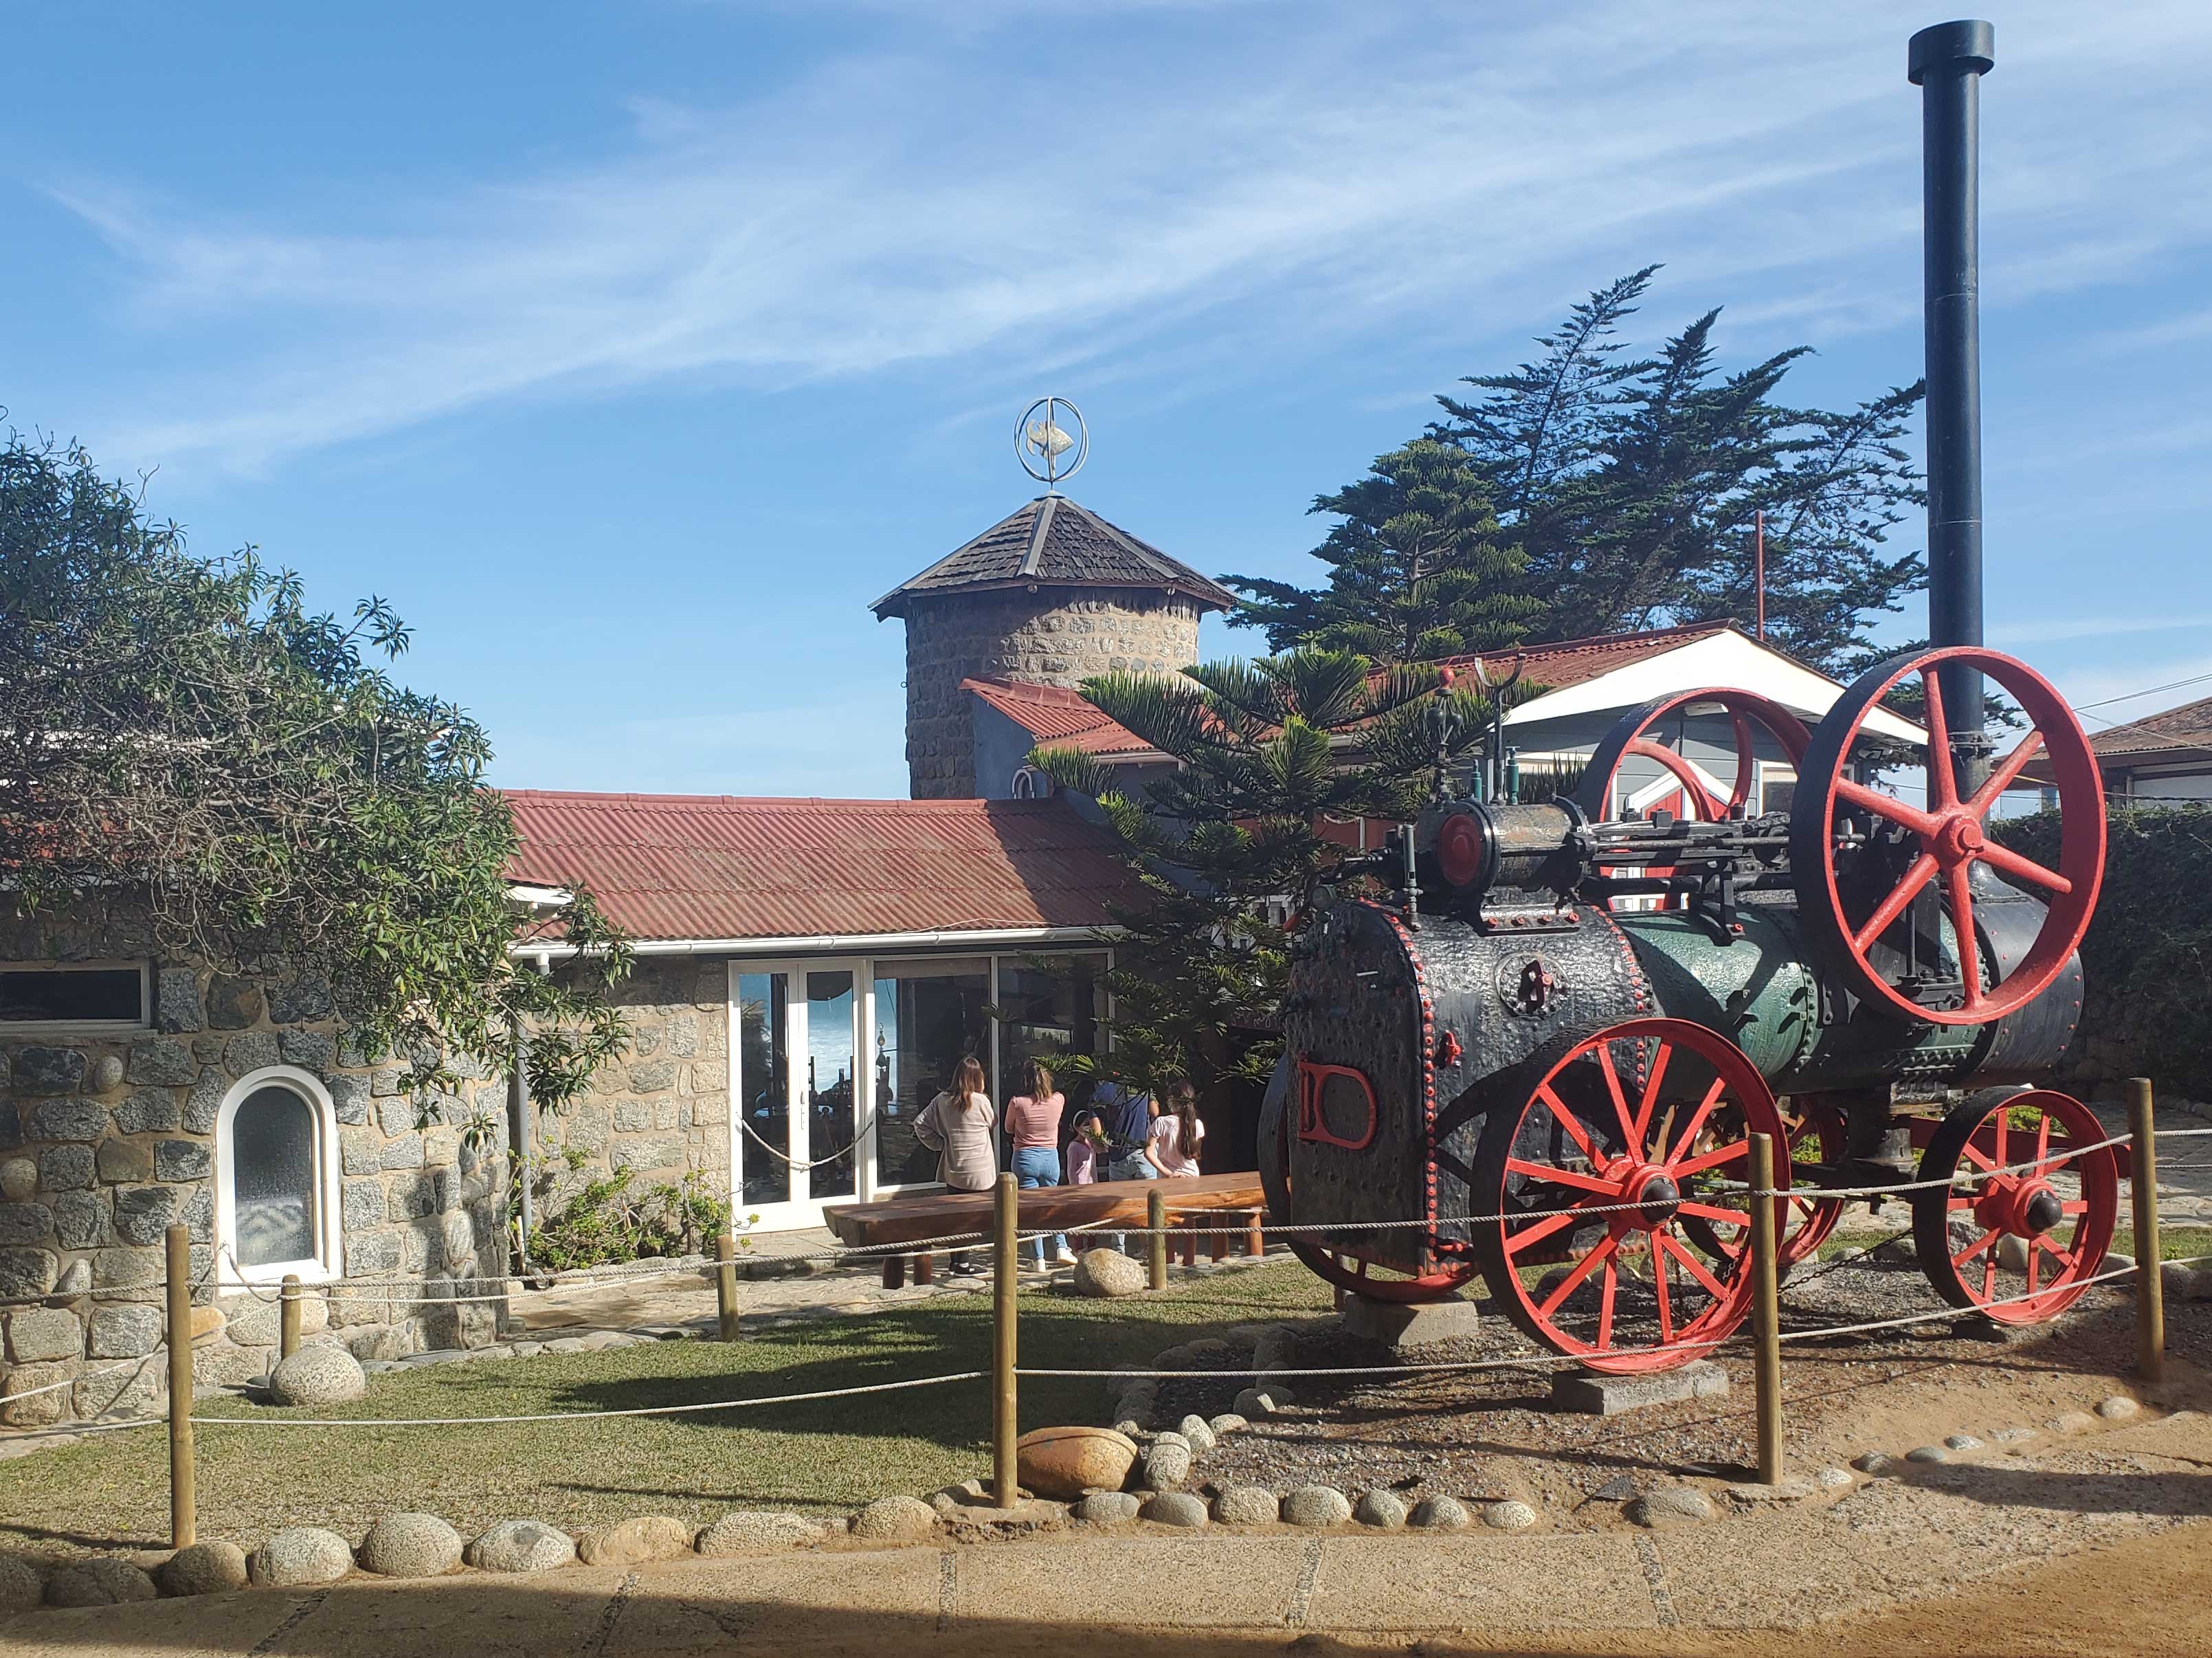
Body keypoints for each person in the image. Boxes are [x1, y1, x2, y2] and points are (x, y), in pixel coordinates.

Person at [914, 1055, 996, 1275]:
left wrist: (939, 1144)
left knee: (956, 1216)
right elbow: (992, 1122)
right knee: (971, 1218)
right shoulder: (981, 1102)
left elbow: (920, 1123)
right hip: (979, 1169)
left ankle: (955, 1261)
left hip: (954, 1166)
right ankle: (964, 1264)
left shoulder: (942, 1100)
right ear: (978, 1078)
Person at [1005, 1060, 1075, 1269]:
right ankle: (1062, 1246)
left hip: (1025, 1157)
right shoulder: (1059, 1100)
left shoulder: (1017, 1102)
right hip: (1050, 1157)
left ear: (1026, 1080)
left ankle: (1038, 1259)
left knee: (1033, 1210)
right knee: (1051, 1204)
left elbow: (1009, 1128)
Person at [1093, 1078, 1156, 1182]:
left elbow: (1097, 1135)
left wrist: (1102, 1147)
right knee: (1148, 1196)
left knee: (1119, 1197)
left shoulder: (1099, 1095)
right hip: (1143, 1152)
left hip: (1118, 1155)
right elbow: (1155, 1112)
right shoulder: (1141, 1085)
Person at [1147, 1080, 1205, 1177]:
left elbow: (1148, 1153)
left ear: (1172, 1100)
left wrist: (1169, 1174)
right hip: (1193, 1175)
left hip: (1168, 1178)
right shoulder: (1197, 1124)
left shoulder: (1161, 1123)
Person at [1066, 1110, 1106, 1186]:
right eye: (1086, 1124)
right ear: (1077, 1128)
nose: (1089, 1127)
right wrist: (1074, 1186)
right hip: (1080, 1185)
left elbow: (1101, 1150)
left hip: (1092, 1184)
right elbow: (1071, 1171)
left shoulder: (1090, 1143)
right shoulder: (1074, 1147)